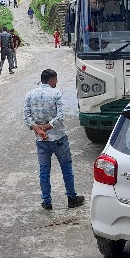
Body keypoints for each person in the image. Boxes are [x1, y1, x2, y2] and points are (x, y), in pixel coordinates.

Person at [23, 69, 85, 210]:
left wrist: (39, 130)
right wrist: (47, 127)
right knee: (66, 169)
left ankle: (47, 201)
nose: (57, 82)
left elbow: (26, 117)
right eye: (56, 80)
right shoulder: (56, 94)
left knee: (44, 171)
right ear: (51, 80)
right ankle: (71, 198)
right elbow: (60, 115)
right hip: (59, 139)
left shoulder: (30, 94)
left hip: (41, 141)